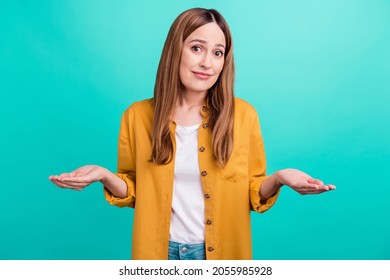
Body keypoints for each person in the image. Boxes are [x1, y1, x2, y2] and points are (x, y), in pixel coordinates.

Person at [49, 8, 335, 260]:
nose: (207, 63)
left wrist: (279, 178)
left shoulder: (244, 116)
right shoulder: (136, 117)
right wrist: (103, 175)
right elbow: (136, 191)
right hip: (158, 257)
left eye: (217, 52)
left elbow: (251, 192)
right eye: (197, 48)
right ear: (176, 50)